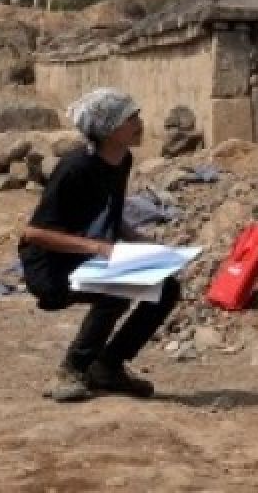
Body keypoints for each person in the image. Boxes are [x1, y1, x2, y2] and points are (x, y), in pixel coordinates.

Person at [18, 88, 180, 403]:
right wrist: (99, 248)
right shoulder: (75, 168)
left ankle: (108, 366)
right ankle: (70, 371)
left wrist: (145, 243)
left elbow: (110, 213)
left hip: (87, 256)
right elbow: (34, 233)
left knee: (166, 287)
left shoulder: (122, 160)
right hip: (51, 268)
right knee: (117, 288)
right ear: (109, 129)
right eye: (130, 118)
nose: (139, 123)